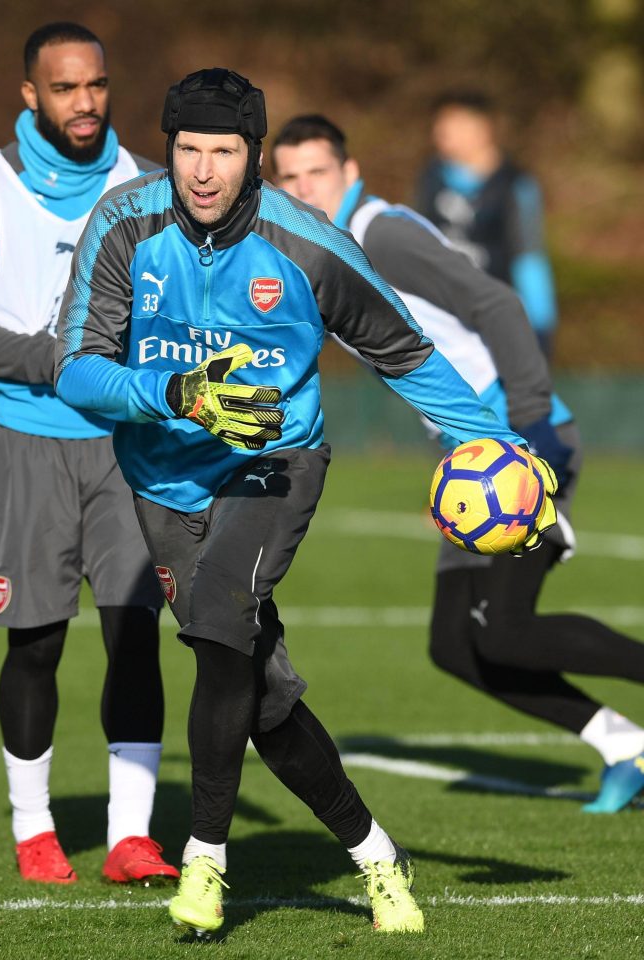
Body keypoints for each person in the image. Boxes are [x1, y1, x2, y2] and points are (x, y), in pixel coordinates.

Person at [53, 68, 555, 938]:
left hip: (273, 465)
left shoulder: (309, 245)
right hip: (163, 480)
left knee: (216, 625)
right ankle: (375, 855)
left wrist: (496, 447)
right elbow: (75, 369)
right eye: (187, 151)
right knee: (264, 696)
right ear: (167, 151)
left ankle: (204, 865)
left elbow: (406, 351)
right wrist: (173, 393)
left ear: (255, 159)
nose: (203, 171)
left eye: (224, 152)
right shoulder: (123, 222)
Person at [271, 113, 644, 815]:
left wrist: (534, 428)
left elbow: (495, 304)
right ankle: (624, 744)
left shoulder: (381, 232)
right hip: (472, 462)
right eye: (287, 177)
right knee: (455, 645)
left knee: (502, 629)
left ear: (350, 174)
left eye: (316, 171)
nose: (303, 187)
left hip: (517, 448)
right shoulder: (313, 250)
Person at [0, 22, 178, 885]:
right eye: (66, 88)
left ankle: (130, 835)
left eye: (97, 85)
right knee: (34, 644)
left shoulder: (149, 185)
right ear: (31, 95)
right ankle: (35, 828)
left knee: (134, 635)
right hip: (29, 443)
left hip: (127, 451)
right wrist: (53, 360)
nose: (86, 102)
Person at [413, 90, 559, 359]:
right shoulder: (431, 176)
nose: (439, 132)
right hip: (445, 322)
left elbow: (528, 256)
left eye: (452, 124)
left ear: (482, 129)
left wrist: (540, 329)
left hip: (497, 323)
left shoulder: (515, 184)